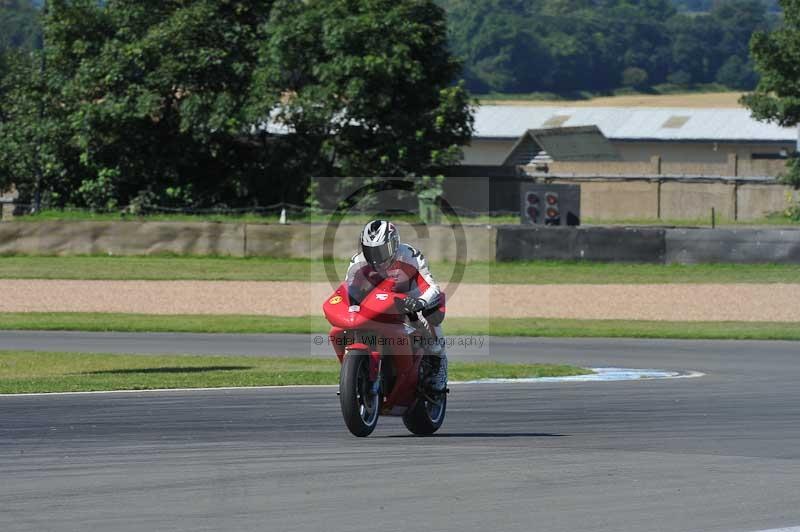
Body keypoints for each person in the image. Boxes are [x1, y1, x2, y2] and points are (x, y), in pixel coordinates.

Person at [345, 219, 447, 392]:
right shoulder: (357, 262)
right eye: (370, 251)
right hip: (377, 300)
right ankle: (353, 372)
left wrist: (420, 302)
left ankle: (438, 363)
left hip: (411, 297)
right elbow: (349, 290)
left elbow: (432, 288)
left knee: (432, 313)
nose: (375, 256)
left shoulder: (410, 256)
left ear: (394, 244)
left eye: (381, 250)